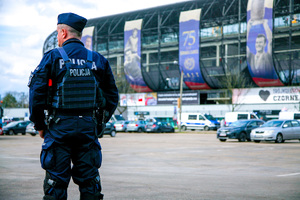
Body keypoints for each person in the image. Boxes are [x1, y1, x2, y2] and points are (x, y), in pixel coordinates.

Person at [28, 12, 119, 200]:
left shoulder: (52, 58)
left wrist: (40, 126)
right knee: (90, 184)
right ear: (79, 34)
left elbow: (36, 95)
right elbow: (112, 97)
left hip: (58, 129)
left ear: (62, 33)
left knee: (56, 184)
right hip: (87, 129)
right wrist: (98, 124)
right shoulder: (98, 60)